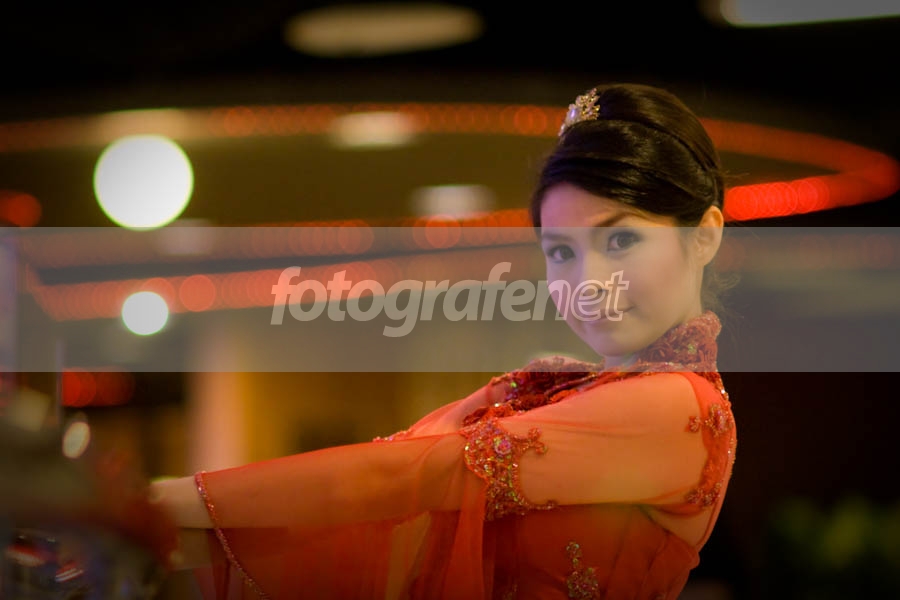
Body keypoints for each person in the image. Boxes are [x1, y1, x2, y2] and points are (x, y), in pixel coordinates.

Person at [151, 83, 737, 599]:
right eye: (562, 251)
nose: (588, 283)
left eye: (621, 241)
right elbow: (391, 479)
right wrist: (154, 532)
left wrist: (164, 504)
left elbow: (403, 477)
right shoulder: (558, 389)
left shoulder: (677, 406)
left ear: (704, 235)